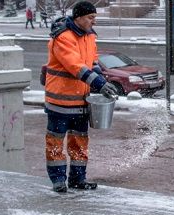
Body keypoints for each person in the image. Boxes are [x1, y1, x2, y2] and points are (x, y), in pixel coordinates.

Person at [43, 1, 118, 193]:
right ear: (78, 18)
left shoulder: (89, 37)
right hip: (59, 101)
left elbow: (92, 62)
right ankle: (58, 180)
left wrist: (101, 78)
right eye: (90, 18)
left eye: (94, 17)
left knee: (80, 142)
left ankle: (78, 179)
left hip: (81, 101)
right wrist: (99, 84)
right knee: (55, 143)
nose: (94, 22)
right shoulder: (62, 38)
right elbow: (74, 65)